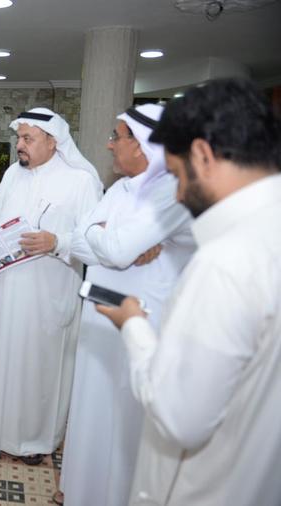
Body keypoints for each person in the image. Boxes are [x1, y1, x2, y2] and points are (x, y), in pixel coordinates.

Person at [96, 78, 281, 506]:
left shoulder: (227, 261)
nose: (178, 194)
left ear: (202, 155)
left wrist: (134, 326)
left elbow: (180, 418)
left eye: (177, 175)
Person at [59, 104, 195, 506]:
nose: (109, 144)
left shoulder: (172, 190)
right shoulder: (119, 189)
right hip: (100, 317)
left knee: (128, 415)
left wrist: (104, 237)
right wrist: (108, 238)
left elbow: (114, 249)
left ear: (143, 144)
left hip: (143, 323)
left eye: (117, 136)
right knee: (93, 408)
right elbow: (81, 242)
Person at [0, 108, 101, 463]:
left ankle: (33, 439)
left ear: (53, 142)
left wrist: (57, 242)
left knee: (39, 363)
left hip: (50, 289)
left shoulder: (81, 181)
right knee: (2, 352)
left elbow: (93, 241)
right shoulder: (13, 173)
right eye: (19, 138)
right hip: (8, 286)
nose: (20, 145)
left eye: (28, 138)